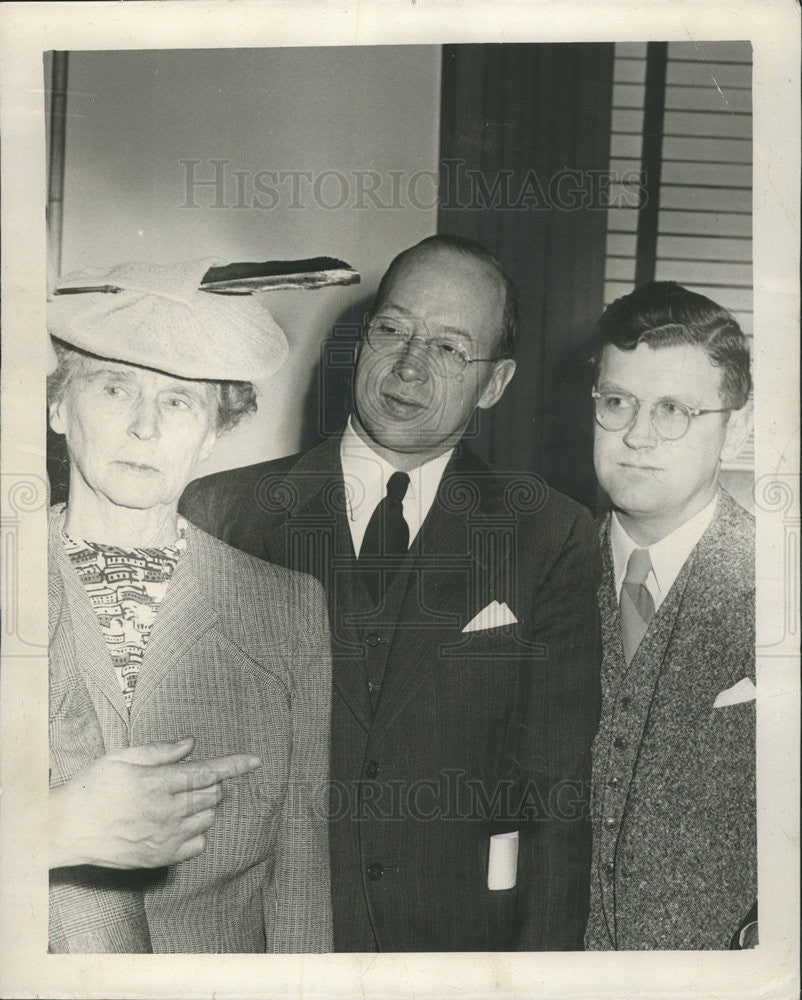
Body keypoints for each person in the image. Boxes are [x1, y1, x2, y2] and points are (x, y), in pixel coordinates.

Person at [180, 235, 602, 951]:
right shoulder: (224, 515)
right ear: (359, 339)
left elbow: (556, 798)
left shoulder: (548, 534)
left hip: (456, 947)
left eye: (447, 348)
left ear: (494, 383)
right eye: (392, 330)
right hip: (267, 944)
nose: (409, 365)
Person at [47, 260, 332, 953]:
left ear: (215, 430)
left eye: (178, 401)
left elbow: (299, 886)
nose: (144, 427)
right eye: (115, 387)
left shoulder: (287, 610)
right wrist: (49, 829)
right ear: (58, 407)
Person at [583, 281, 756, 950]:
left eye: (674, 410)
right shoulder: (542, 573)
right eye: (618, 402)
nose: (636, 435)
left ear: (735, 427)